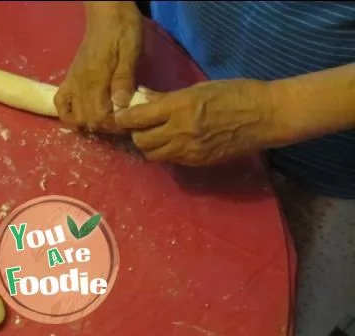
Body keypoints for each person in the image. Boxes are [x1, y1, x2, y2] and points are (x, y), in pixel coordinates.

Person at [54, 2, 355, 336]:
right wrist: (109, 10)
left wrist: (274, 110)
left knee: (267, 310)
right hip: (175, 63)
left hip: (321, 153)